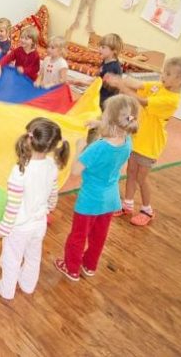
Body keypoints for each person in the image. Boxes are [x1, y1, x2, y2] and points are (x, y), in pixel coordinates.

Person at [104, 57, 181, 226]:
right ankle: (127, 204)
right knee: (131, 172)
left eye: (168, 74)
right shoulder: (159, 86)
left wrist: (122, 86)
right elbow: (139, 86)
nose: (163, 76)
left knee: (141, 178)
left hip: (150, 144)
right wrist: (120, 79)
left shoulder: (171, 100)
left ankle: (147, 210)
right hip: (138, 138)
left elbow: (142, 101)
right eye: (163, 72)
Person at [54, 94, 140, 281]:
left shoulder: (97, 148)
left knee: (78, 236)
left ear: (109, 119)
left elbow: (76, 171)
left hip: (90, 201)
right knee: (99, 236)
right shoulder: (128, 141)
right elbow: (117, 129)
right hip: (110, 199)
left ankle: (71, 268)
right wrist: (99, 124)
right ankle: (89, 266)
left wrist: (80, 147)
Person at [0, 118, 70, 300]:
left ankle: (6, 291)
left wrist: (4, 228)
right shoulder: (52, 165)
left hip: (19, 227)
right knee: (33, 256)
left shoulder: (20, 170)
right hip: (39, 224)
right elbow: (53, 191)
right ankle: (27, 285)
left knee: (11, 259)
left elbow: (14, 204)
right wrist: (50, 206)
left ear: (29, 139)